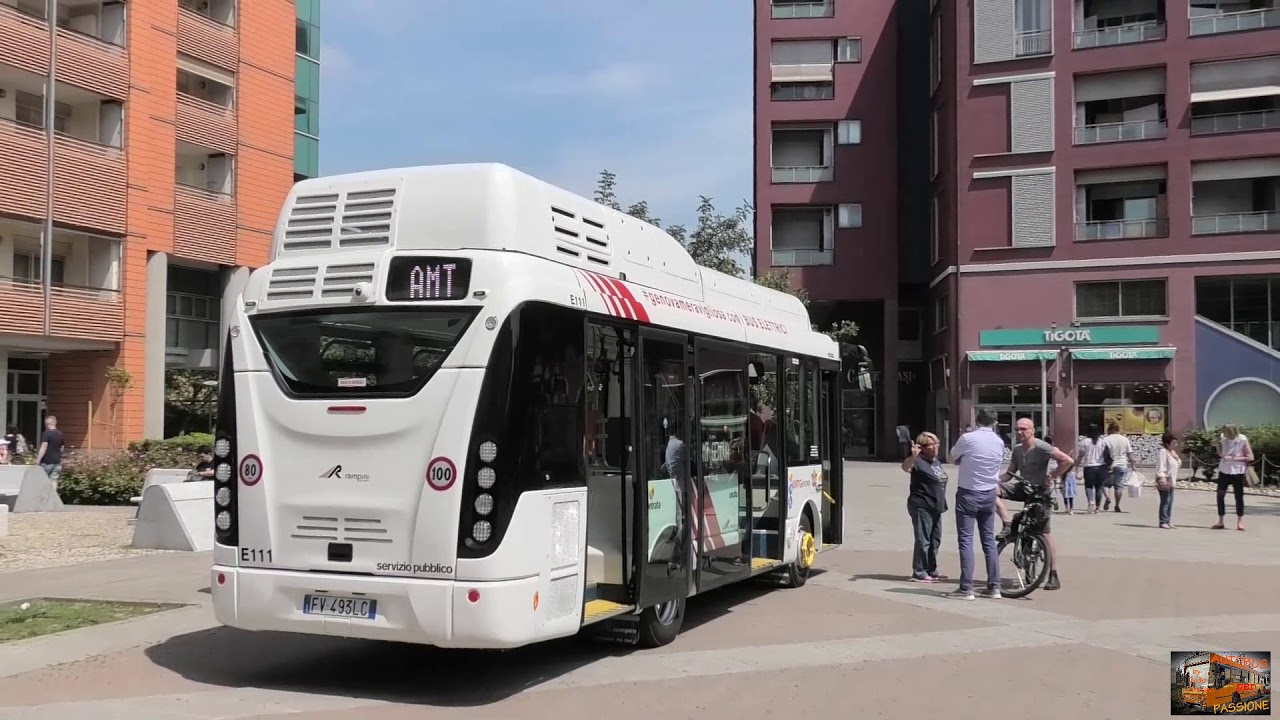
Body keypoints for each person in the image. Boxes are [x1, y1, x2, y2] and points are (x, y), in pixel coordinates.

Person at [997, 418, 1073, 591]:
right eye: (1017, 429)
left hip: (1040, 493)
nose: (1019, 432)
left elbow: (1067, 460)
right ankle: (1007, 523)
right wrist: (993, 480)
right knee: (991, 491)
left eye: (1024, 429)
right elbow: (1009, 474)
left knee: (1044, 533)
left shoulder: (1041, 447)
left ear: (1032, 431)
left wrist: (1052, 476)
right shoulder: (1017, 450)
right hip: (1023, 488)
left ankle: (1053, 574)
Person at [945, 408, 1005, 600]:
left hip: (968, 493)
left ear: (977, 420)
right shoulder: (999, 442)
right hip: (989, 493)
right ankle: (994, 586)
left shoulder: (967, 438)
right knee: (988, 541)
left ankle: (966, 588)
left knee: (966, 540)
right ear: (994, 422)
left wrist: (963, 460)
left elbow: (950, 458)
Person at [901, 432, 948, 583]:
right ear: (921, 447)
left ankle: (931, 569)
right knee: (923, 539)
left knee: (935, 539)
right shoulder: (918, 461)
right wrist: (913, 456)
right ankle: (919, 571)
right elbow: (905, 467)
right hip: (922, 504)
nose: (934, 447)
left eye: (936, 444)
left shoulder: (935, 461)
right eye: (930, 445)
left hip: (936, 505)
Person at [1214, 424, 1252, 531]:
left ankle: (1240, 521)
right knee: (1220, 495)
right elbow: (1222, 454)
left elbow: (1250, 457)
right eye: (1225, 432)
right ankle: (1220, 520)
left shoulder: (1242, 439)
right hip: (1224, 470)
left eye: (1228, 433)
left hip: (1237, 471)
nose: (1226, 435)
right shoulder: (1223, 438)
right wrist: (1217, 447)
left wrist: (1234, 458)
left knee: (1238, 496)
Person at [1102, 421, 1135, 512]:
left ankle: (1108, 497)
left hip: (1109, 465)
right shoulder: (1124, 439)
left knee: (1105, 484)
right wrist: (1133, 465)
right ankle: (1117, 505)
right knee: (1119, 486)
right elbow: (1130, 453)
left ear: (1111, 429)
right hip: (1122, 464)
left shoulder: (1106, 440)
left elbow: (1103, 453)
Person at [1074, 424, 1108, 513]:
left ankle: (1090, 501)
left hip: (1089, 467)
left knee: (1089, 486)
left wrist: (1076, 466)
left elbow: (1080, 455)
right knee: (1099, 487)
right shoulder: (1102, 442)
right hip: (1101, 466)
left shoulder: (1085, 442)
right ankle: (1098, 508)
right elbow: (1106, 454)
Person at [1155, 432, 1180, 529]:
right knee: (1165, 501)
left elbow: (1177, 464)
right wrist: (1161, 477)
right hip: (1165, 478)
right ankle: (1163, 521)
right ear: (1167, 443)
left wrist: (1176, 458)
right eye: (1173, 443)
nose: (1176, 445)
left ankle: (1168, 520)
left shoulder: (1172, 452)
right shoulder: (1163, 451)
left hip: (1172, 480)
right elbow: (1161, 465)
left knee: (1170, 501)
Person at [34, 415, 65, 492]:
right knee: (54, 480)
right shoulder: (60, 434)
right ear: (55, 423)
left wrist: (38, 460)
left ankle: (44, 498)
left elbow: (43, 448)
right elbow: (62, 448)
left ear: (46, 423)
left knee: (43, 480)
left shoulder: (46, 433)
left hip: (47, 461)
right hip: (57, 461)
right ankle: (53, 497)